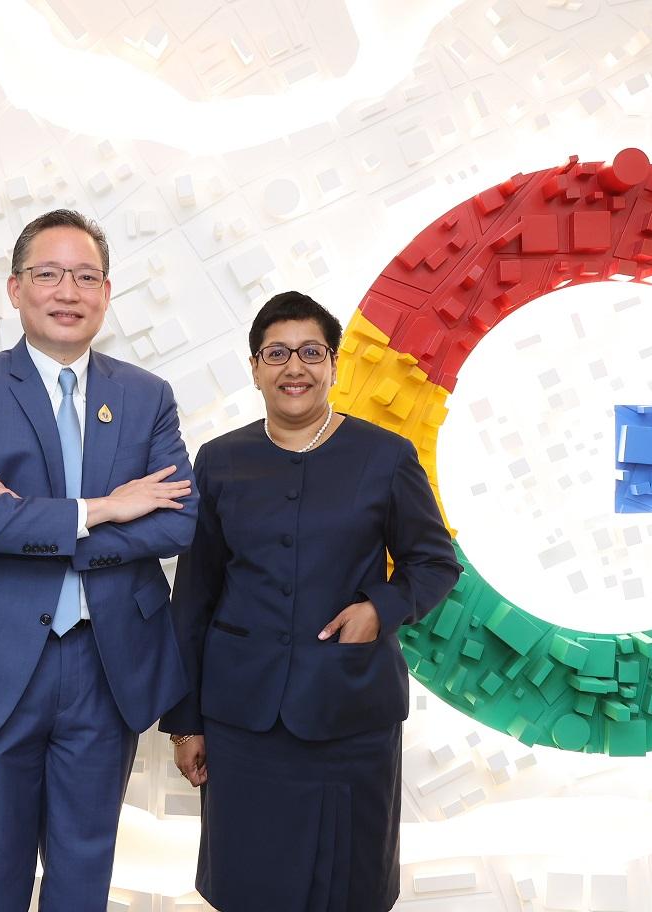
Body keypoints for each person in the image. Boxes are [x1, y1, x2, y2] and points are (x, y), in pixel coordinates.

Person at [0, 208, 197, 911]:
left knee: (84, 874)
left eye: (85, 276)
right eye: (49, 274)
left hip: (104, 662)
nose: (68, 290)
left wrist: (30, 518)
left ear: (107, 293)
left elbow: (179, 521)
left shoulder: (146, 397)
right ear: (15, 289)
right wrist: (106, 508)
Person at [161, 291, 461, 912]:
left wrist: (380, 609)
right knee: (248, 882)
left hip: (348, 713)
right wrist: (185, 719)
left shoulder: (385, 457)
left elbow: (433, 563)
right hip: (243, 718)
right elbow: (194, 596)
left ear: (333, 363)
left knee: (345, 883)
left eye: (310, 352)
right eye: (276, 353)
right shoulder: (220, 461)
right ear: (254, 367)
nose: (293, 367)